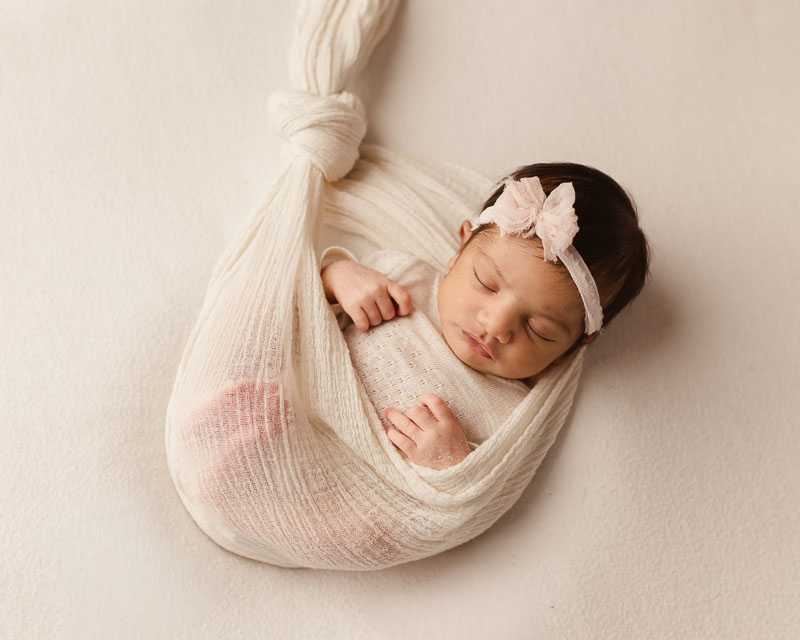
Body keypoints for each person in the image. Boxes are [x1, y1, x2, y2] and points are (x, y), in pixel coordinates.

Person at [319, 162, 650, 470]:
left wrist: (454, 462)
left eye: (538, 329)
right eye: (487, 284)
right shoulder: (404, 280)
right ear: (461, 247)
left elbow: (481, 491)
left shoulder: (513, 414)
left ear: (579, 343)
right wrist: (338, 277)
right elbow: (301, 308)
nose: (495, 326)